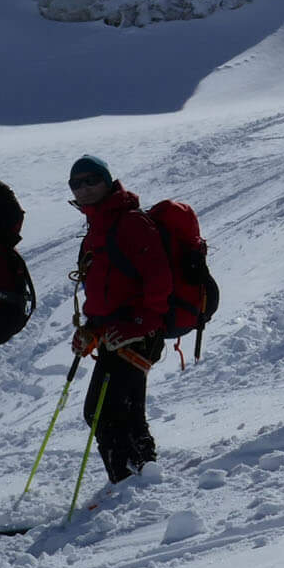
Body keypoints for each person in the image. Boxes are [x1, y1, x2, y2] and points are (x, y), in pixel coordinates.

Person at [67, 155, 171, 483]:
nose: (83, 188)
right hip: (116, 333)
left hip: (137, 333)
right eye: (76, 183)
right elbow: (104, 293)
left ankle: (128, 482)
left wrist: (138, 326)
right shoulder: (96, 230)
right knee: (123, 411)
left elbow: (159, 282)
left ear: (108, 181)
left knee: (102, 412)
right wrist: (91, 330)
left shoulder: (131, 223)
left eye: (91, 180)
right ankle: (141, 474)